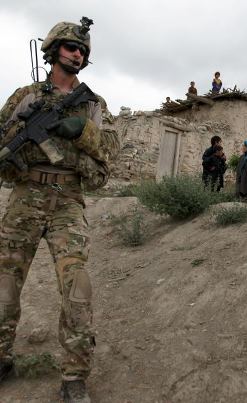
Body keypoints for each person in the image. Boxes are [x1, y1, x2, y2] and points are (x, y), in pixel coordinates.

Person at [0, 17, 119, 403]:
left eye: (82, 49)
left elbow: (106, 164)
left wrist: (80, 131)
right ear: (53, 50)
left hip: (67, 199)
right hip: (25, 193)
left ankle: (74, 377)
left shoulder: (91, 106)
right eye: (70, 47)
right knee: (5, 284)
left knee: (78, 288)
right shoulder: (25, 98)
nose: (77, 53)